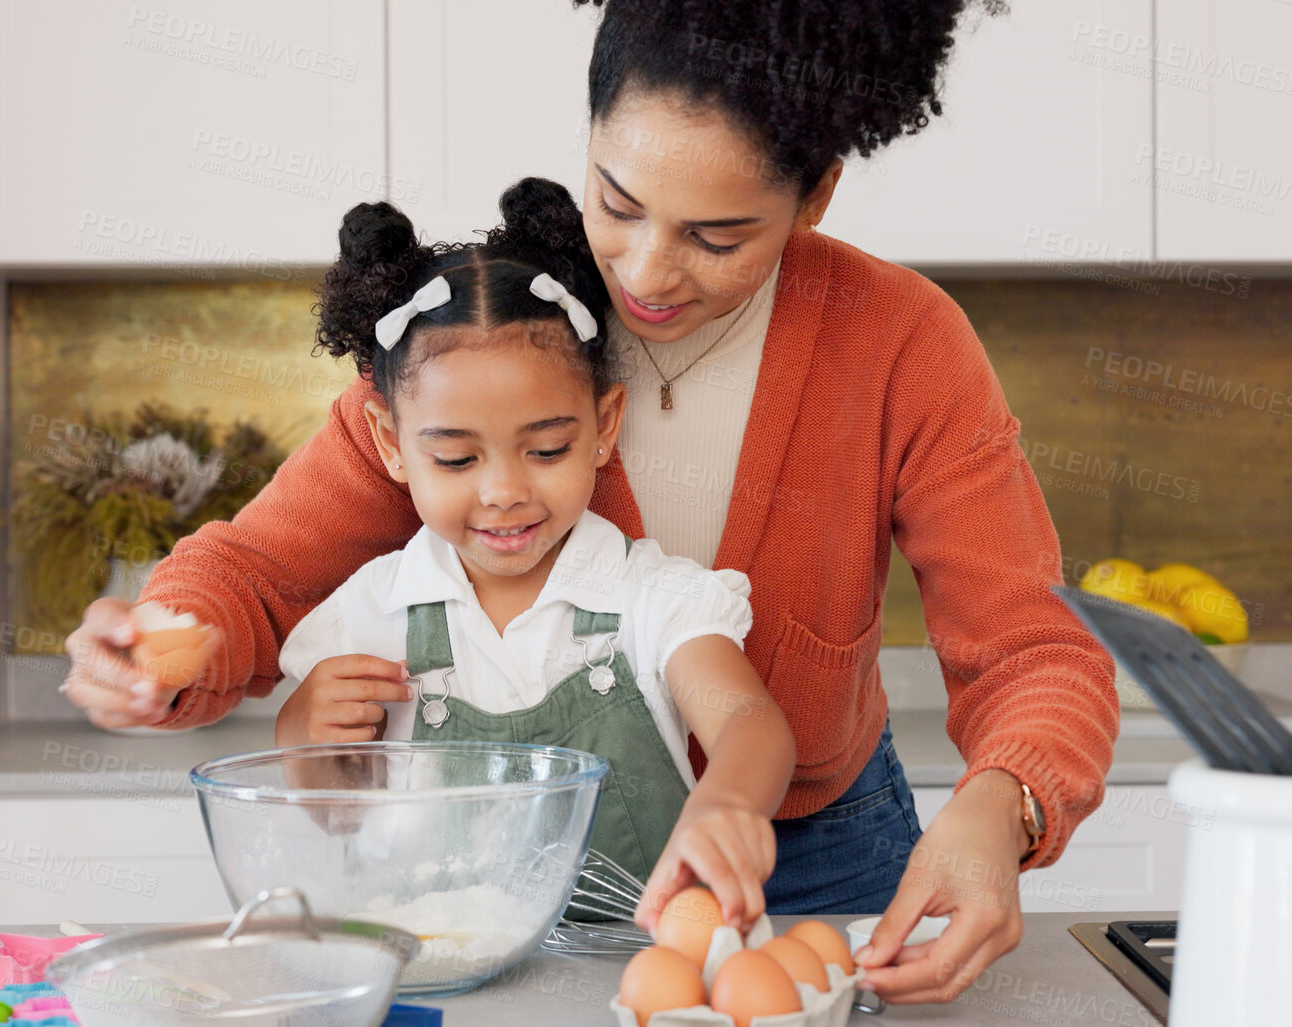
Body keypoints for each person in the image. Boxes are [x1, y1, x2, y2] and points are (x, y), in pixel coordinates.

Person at [63, 0, 1118, 1006]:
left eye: (717, 236)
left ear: (818, 195)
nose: (648, 272)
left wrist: (1002, 803)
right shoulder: (499, 333)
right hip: (521, 877)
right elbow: (257, 571)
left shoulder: (900, 343)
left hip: (820, 859)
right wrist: (170, 639)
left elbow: (1033, 647)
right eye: (616, 203)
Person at [269, 178, 794, 928]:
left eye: (547, 449)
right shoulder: (370, 613)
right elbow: (336, 809)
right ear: (390, 444)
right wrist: (303, 733)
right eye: (455, 459)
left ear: (604, 425)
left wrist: (730, 806)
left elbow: (748, 720)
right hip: (443, 976)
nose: (504, 490)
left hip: (625, 981)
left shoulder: (650, 598)